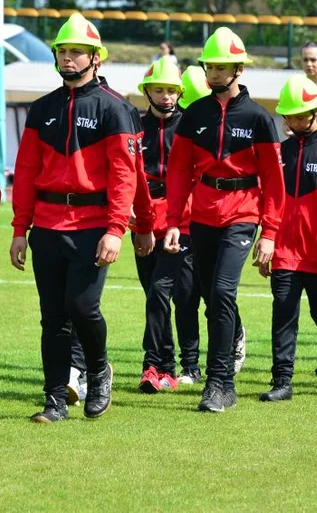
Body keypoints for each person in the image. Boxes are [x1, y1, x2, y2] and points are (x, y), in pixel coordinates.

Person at [10, 13, 137, 424]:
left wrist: (116, 229)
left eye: (76, 52)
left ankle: (98, 371)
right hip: (46, 226)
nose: (67, 58)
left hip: (92, 225)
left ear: (95, 58)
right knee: (52, 318)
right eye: (62, 51)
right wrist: (18, 229)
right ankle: (54, 401)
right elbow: (26, 170)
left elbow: (124, 174)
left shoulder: (115, 108)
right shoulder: (43, 108)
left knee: (83, 307)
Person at [163, 27, 284, 413]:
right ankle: (228, 346)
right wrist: (172, 222)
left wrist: (271, 232)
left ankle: (220, 384)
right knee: (210, 298)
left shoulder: (259, 118)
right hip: (201, 216)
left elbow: (274, 181)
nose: (214, 74)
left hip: (243, 214)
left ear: (238, 69)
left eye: (222, 67)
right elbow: (179, 171)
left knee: (221, 292)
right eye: (209, 67)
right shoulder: (194, 114)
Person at [258, 75, 317, 402]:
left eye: (300, 114)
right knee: (283, 317)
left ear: (314, 112)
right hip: (284, 253)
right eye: (290, 115)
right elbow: (269, 200)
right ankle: (282, 382)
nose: (293, 120)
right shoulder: (280, 153)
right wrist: (267, 239)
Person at [135, 57, 203, 393]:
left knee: (181, 294)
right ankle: (163, 365)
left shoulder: (189, 125)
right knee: (154, 294)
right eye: (159, 90)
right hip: (144, 218)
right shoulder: (134, 125)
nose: (166, 96)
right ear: (147, 91)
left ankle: (174, 364)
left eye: (172, 90)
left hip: (182, 217)